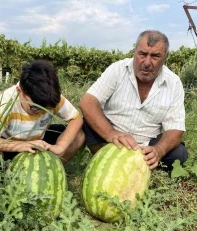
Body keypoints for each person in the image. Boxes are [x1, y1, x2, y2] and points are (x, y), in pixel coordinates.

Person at [79, 30, 188, 171]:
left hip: (146, 147)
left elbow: (176, 129)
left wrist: (159, 150)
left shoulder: (174, 82)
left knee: (179, 154)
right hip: (110, 141)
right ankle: (104, 160)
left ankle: (141, 165)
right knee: (86, 121)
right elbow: (87, 102)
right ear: (134, 51)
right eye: (142, 54)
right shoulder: (118, 69)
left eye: (155, 56)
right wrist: (110, 133)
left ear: (165, 57)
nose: (147, 62)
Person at [0, 59, 85, 165]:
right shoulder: (7, 102)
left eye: (46, 109)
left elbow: (76, 119)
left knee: (78, 136)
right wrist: (19, 146)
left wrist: (60, 146)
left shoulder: (50, 97)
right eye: (35, 107)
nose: (40, 112)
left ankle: (52, 170)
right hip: (9, 145)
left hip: (39, 142)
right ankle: (2, 176)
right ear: (20, 92)